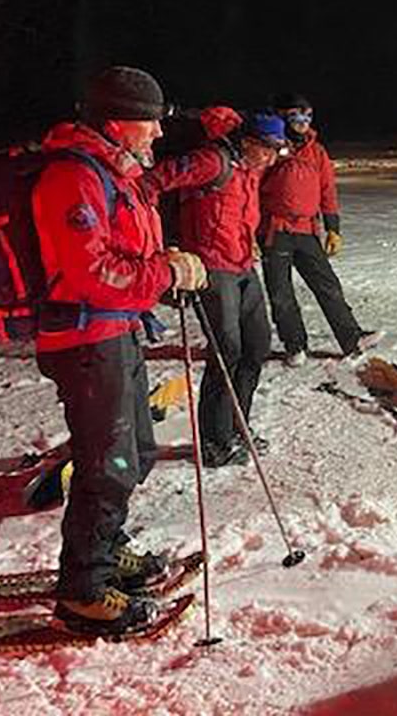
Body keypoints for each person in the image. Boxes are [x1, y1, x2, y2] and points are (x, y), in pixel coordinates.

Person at [33, 66, 208, 633]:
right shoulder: (73, 178)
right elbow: (90, 273)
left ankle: (108, 550)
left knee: (136, 455)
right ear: (118, 122)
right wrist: (165, 271)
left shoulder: (117, 173)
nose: (159, 133)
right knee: (105, 468)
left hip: (118, 332)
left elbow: (126, 252)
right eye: (151, 122)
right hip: (85, 340)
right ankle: (83, 589)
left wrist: (165, 262)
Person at [146, 108, 287, 467]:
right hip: (212, 269)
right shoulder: (211, 161)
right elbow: (153, 182)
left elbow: (240, 212)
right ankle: (214, 440)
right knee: (227, 353)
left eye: (277, 151)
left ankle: (238, 428)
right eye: (267, 150)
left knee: (257, 347)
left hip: (242, 265)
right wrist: (167, 245)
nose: (271, 159)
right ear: (249, 142)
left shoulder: (251, 168)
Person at [259, 92, 378, 365]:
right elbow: (252, 190)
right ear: (282, 117)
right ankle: (295, 345)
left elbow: (327, 190)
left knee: (327, 286)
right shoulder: (270, 148)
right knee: (281, 293)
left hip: (307, 230)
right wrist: (251, 230)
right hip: (275, 230)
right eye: (295, 116)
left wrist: (333, 227)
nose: (302, 122)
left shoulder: (317, 152)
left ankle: (351, 338)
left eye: (307, 116)